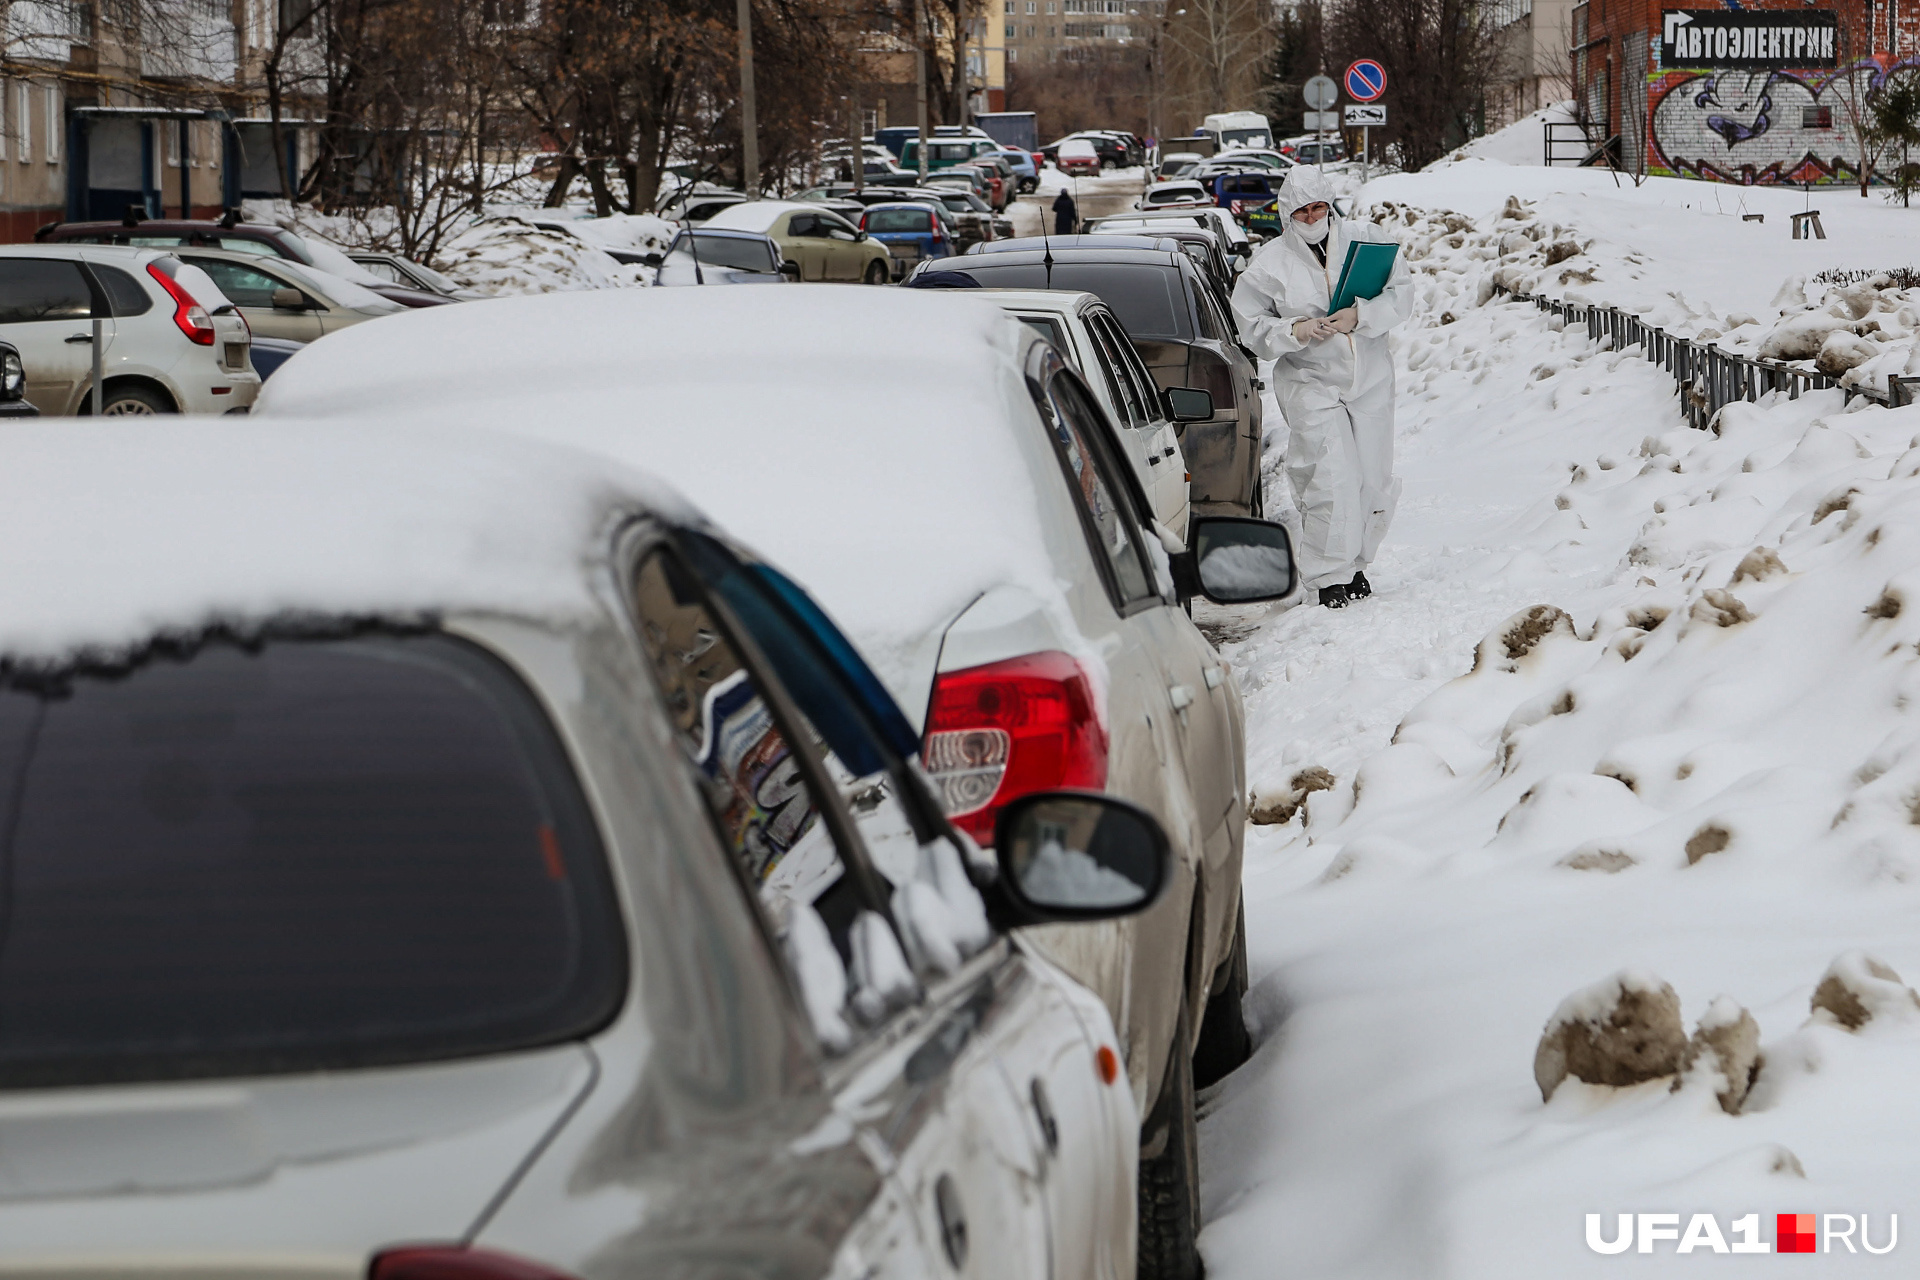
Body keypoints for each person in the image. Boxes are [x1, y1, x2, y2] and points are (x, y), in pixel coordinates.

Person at [1230, 165, 1412, 609]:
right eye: (1302, 212)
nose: (1312, 219)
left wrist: (1361, 316)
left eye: (1319, 209)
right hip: (1310, 381)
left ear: (1330, 206)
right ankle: (1330, 575)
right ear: (1286, 214)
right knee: (1330, 477)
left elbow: (1401, 294)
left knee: (1372, 477)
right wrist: (1296, 329)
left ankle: (1358, 564)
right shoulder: (1268, 265)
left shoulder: (1368, 240)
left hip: (1369, 378)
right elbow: (1250, 325)